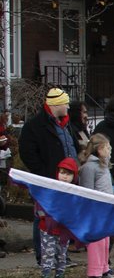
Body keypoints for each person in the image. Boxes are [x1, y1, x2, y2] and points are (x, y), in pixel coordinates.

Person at [19, 88, 78, 265]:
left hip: (66, 180)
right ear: (56, 104)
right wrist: (43, 173)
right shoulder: (35, 126)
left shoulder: (66, 124)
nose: (68, 106)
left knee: (62, 218)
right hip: (47, 180)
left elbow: (72, 146)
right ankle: (44, 258)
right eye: (65, 103)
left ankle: (61, 257)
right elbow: (27, 153)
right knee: (43, 218)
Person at [77, 133, 114, 278]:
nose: (110, 150)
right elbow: (87, 190)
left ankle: (104, 268)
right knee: (96, 242)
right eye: (107, 147)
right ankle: (94, 272)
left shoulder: (103, 166)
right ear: (99, 149)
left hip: (106, 210)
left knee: (105, 241)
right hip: (95, 211)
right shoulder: (89, 167)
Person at [38, 158, 78, 278]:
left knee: (62, 253)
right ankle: (46, 274)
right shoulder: (50, 188)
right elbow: (40, 205)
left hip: (64, 229)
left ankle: (60, 274)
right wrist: (43, 217)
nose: (64, 177)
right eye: (62, 173)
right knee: (48, 252)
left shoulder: (74, 192)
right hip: (48, 228)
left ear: (74, 176)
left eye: (68, 174)